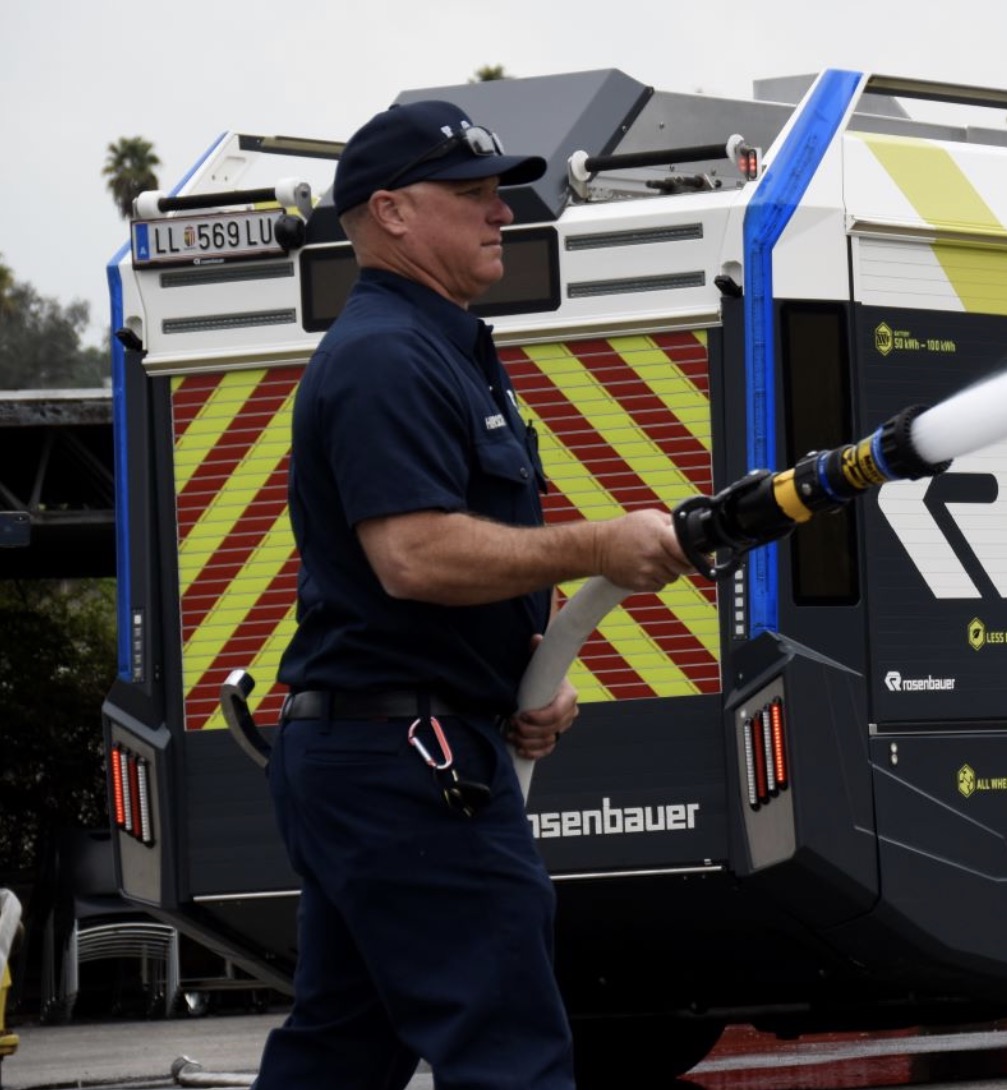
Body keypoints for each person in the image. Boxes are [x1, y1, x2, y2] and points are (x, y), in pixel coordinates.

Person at [259, 100, 692, 1090]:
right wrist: (601, 545)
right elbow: (411, 556)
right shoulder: (385, 358)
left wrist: (512, 689)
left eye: (499, 193)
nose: (502, 213)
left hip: (393, 751)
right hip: (410, 765)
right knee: (510, 1057)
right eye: (472, 195)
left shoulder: (434, 349)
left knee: (341, 1050)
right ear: (393, 212)